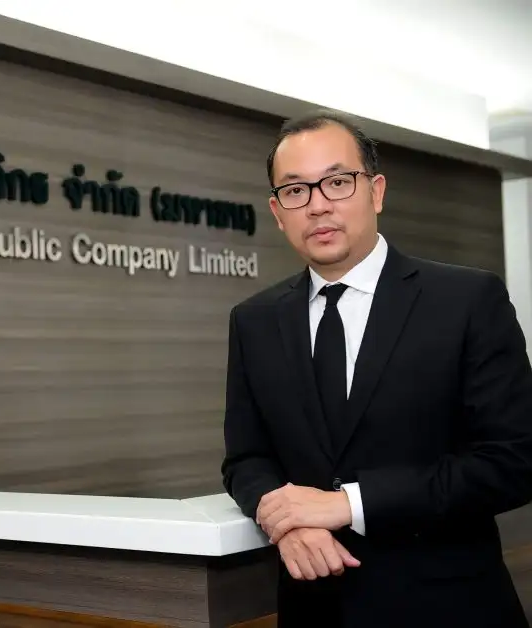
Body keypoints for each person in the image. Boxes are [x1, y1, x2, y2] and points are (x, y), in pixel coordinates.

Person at [220, 109, 532, 628]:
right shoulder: (253, 320)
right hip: (315, 608)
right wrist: (286, 520)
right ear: (277, 211)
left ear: (376, 191)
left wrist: (349, 504)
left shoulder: (466, 300)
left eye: (338, 182)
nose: (318, 205)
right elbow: (245, 459)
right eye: (295, 191)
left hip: (448, 609)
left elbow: (514, 462)